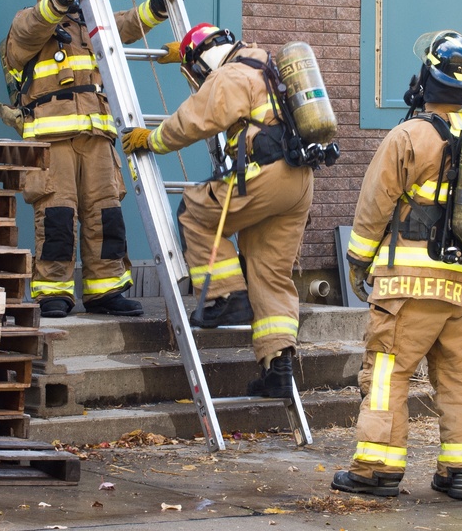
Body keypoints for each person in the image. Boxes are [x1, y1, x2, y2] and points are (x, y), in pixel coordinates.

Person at [330, 30, 462, 502]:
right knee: (461, 372)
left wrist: (358, 260)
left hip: (410, 285)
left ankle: (377, 469)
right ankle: (461, 469)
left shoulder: (409, 136)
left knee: (388, 370)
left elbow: (373, 204)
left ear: (429, 78)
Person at [120, 23, 316, 399]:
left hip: (266, 175)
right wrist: (183, 50)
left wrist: (152, 139)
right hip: (299, 182)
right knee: (270, 271)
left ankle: (225, 297)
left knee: (194, 212)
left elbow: (196, 119)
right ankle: (278, 367)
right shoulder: (266, 67)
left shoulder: (231, 75)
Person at [2, 0, 173, 318]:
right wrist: (59, 0)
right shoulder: (28, 23)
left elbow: (122, 25)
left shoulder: (86, 26)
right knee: (57, 216)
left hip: (97, 137)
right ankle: (53, 293)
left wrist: (158, 9)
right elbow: (30, 31)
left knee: (105, 215)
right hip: (52, 142)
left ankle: (105, 291)